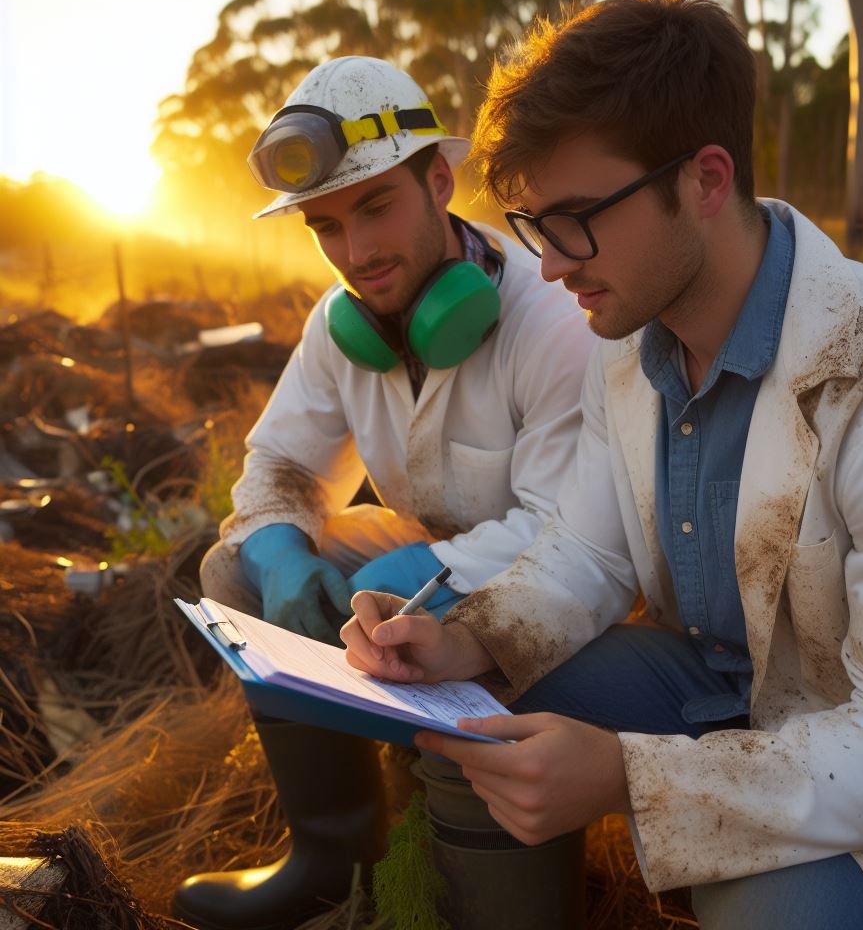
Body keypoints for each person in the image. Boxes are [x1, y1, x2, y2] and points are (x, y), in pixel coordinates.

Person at [342, 0, 863, 929]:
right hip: (714, 686)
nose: (548, 265)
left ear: (705, 180)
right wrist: (467, 635)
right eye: (534, 224)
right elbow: (589, 554)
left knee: (769, 900)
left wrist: (633, 776)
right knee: (471, 712)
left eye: (575, 218)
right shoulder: (628, 343)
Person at [172, 56, 595, 930]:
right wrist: (281, 548)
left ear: (439, 180)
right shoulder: (340, 325)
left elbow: (576, 531)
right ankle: (332, 856)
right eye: (324, 226)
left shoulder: (549, 321)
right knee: (239, 570)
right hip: (419, 574)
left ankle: (493, 890)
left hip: (550, 592)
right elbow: (278, 468)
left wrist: (430, 565)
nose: (355, 253)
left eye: (376, 207)